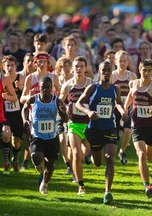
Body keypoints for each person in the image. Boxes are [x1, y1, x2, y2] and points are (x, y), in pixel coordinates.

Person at [76, 61, 127, 204]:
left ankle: (107, 192)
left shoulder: (115, 89)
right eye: (103, 70)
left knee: (110, 157)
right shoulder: (92, 88)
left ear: (111, 72)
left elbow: (118, 103)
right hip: (94, 129)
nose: (106, 73)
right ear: (99, 71)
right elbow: (78, 103)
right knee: (98, 163)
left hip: (110, 128)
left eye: (108, 70)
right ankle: (91, 154)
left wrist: (123, 112)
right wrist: (88, 111)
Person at [124, 59, 152, 198]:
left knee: (149, 156)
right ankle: (147, 185)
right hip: (137, 126)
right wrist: (125, 110)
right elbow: (130, 97)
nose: (147, 73)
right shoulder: (133, 83)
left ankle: (146, 178)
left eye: (149, 70)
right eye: (144, 70)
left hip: (151, 127)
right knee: (141, 155)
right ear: (139, 69)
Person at [21, 77, 68, 195]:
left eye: (48, 87)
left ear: (51, 88)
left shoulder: (56, 101)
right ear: (39, 88)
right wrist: (25, 119)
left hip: (51, 137)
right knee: (37, 157)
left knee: (50, 166)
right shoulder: (34, 99)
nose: (46, 90)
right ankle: (40, 168)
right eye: (43, 87)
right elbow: (24, 109)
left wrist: (63, 112)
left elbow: (66, 119)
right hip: (37, 136)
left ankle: (45, 184)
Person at [59, 56, 92, 194]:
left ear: (85, 68)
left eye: (81, 66)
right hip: (74, 124)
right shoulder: (67, 85)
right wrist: (63, 110)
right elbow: (60, 101)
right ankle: (80, 185)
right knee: (76, 153)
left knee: (90, 155)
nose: (79, 69)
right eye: (76, 66)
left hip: (89, 125)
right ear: (73, 68)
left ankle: (85, 158)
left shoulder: (91, 84)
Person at [111, 50, 137, 165]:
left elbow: (137, 93)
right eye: (120, 61)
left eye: (124, 61)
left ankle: (122, 151)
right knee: (113, 135)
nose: (122, 63)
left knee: (127, 130)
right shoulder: (112, 75)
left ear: (127, 62)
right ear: (115, 62)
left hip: (128, 108)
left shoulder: (132, 76)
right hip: (114, 108)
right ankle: (110, 154)